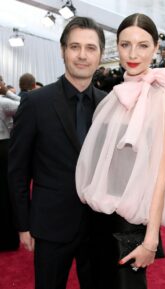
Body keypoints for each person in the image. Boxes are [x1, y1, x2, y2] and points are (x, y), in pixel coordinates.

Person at [75, 13, 165, 289]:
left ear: (157, 48)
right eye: (125, 45)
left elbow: (161, 174)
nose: (133, 53)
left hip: (129, 225)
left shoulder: (161, 98)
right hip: (97, 218)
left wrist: (151, 240)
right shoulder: (114, 95)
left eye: (143, 45)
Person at [8, 17, 106, 289]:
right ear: (63, 51)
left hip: (100, 226)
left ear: (100, 54)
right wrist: (23, 224)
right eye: (75, 47)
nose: (82, 55)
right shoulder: (35, 103)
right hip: (50, 225)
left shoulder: (111, 105)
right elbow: (17, 169)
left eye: (91, 47)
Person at [0, 77, 20, 251]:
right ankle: (7, 239)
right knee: (6, 193)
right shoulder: (3, 102)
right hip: (3, 148)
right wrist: (6, 91)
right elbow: (25, 105)